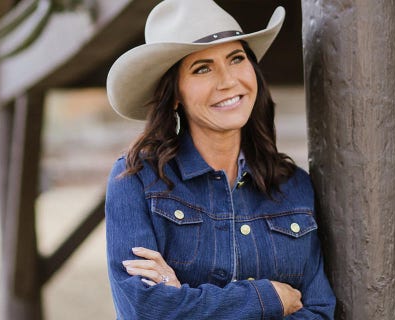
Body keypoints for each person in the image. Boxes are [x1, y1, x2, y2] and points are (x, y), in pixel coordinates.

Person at [104, 0, 336, 318]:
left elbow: (320, 312)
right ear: (173, 94)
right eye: (203, 68)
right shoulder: (138, 179)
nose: (228, 81)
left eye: (236, 58)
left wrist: (181, 301)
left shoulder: (294, 186)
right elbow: (144, 309)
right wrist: (267, 298)